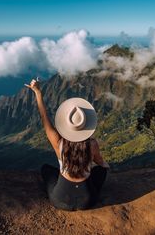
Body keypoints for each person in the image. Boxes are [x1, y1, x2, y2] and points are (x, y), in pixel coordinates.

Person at [24, 79, 109, 211]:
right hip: (87, 201)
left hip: (60, 200)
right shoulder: (92, 144)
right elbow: (100, 162)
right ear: (86, 126)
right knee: (101, 170)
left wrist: (38, 92)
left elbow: (43, 116)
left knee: (46, 169)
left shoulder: (59, 143)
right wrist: (102, 167)